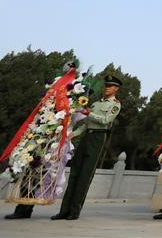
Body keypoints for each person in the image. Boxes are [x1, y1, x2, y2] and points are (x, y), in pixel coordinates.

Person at [50, 74, 122, 220]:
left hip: (98, 137)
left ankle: (74, 211)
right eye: (106, 86)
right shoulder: (96, 104)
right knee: (75, 173)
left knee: (85, 175)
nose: (106, 88)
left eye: (110, 86)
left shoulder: (115, 105)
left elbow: (106, 120)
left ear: (116, 89)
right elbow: (86, 124)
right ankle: (64, 210)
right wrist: (73, 134)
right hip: (87, 136)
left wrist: (90, 113)